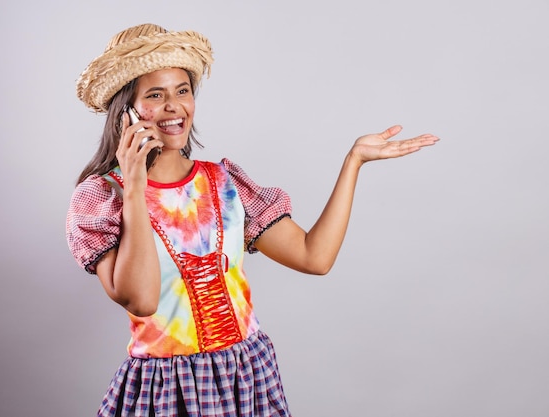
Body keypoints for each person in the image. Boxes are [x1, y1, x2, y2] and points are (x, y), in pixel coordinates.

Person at [66, 23, 438, 417]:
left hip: (245, 375)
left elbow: (316, 257)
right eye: (155, 95)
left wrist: (354, 162)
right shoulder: (102, 197)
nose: (174, 106)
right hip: (167, 388)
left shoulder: (225, 183)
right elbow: (141, 300)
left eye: (183, 90)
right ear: (125, 111)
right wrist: (136, 185)